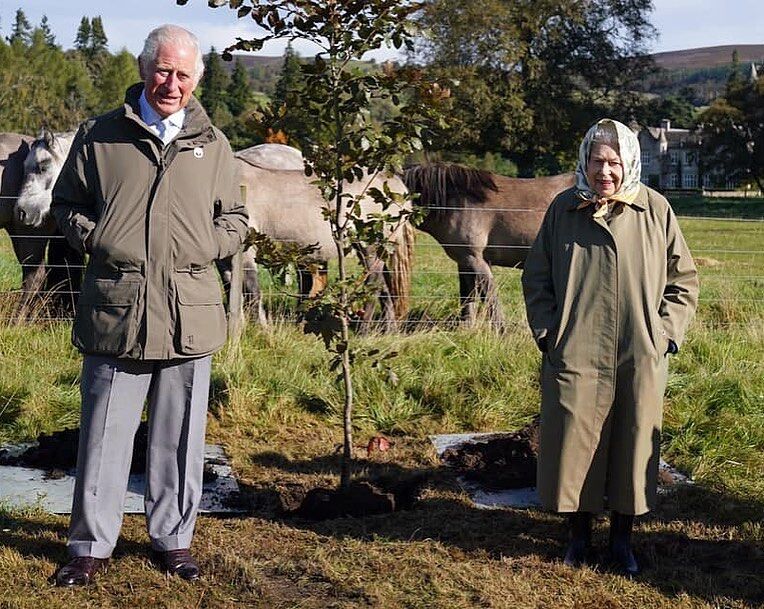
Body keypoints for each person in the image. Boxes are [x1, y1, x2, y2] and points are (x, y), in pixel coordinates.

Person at [50, 24, 249, 587]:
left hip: (190, 311)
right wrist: (99, 238)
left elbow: (235, 218)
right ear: (143, 70)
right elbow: (66, 205)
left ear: (196, 80)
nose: (172, 83)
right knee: (104, 432)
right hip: (119, 308)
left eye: (184, 74)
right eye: (163, 70)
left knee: (181, 435)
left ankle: (174, 540)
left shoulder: (213, 143)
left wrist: (206, 246)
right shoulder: (101, 136)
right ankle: (89, 546)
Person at [521, 119, 699, 576]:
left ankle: (622, 540)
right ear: (585, 161)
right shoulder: (564, 208)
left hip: (638, 349)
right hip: (575, 348)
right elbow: (536, 277)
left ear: (630, 163)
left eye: (614, 162)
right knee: (573, 441)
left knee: (633, 440)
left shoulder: (654, 209)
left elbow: (683, 281)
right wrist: (548, 332)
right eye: (597, 161)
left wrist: (664, 334)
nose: (605, 172)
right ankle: (577, 537)